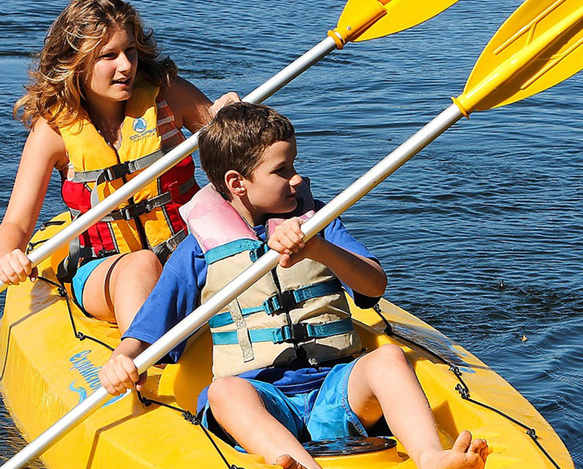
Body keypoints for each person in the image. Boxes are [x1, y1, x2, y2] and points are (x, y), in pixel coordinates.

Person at [98, 102, 490, 469]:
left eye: (294, 165)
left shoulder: (319, 223)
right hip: (263, 401)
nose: (297, 178)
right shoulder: (198, 249)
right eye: (282, 170)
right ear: (237, 183)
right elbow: (151, 327)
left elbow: (374, 286)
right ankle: (299, 464)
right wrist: (123, 358)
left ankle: (430, 457)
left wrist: (319, 249)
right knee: (223, 393)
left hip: (335, 388)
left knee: (388, 359)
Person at [0, 0, 236, 333]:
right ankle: (143, 356)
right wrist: (7, 256)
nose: (126, 65)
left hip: (187, 252)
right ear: (76, 64)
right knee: (141, 265)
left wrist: (232, 118)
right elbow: (17, 223)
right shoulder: (53, 132)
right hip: (104, 267)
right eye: (109, 56)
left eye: (130, 51)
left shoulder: (168, 96)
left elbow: (239, 156)